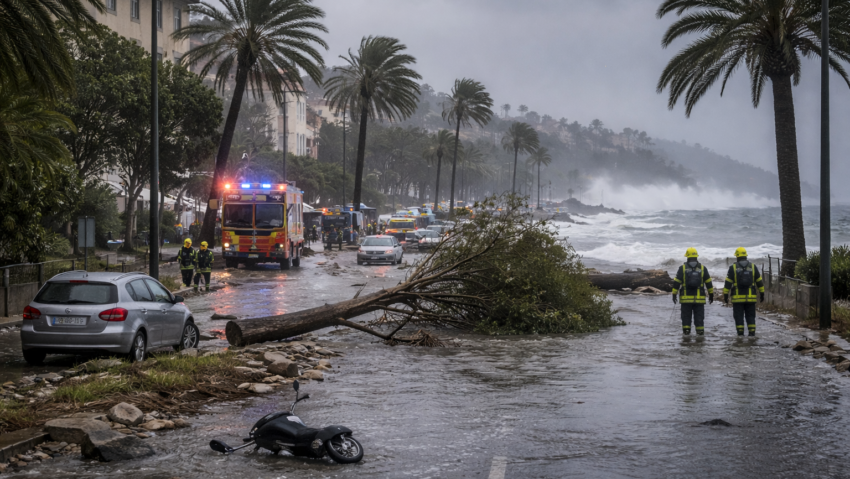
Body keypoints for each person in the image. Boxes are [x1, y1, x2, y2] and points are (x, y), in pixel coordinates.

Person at [672, 247, 715, 335]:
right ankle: (700, 336)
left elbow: (676, 283)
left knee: (686, 318)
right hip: (699, 300)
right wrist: (711, 294)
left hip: (685, 299)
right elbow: (708, 283)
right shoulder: (703, 268)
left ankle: (686, 336)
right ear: (696, 257)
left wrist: (674, 294)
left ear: (687, 257)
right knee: (699, 318)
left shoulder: (682, 268)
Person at [723, 247, 765, 336]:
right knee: (751, 316)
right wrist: (762, 293)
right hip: (751, 298)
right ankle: (752, 333)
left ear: (737, 256)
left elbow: (728, 283)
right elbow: (759, 281)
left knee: (738, 316)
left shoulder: (733, 267)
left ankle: (740, 334)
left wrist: (725, 295)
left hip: (737, 299)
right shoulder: (753, 267)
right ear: (746, 256)